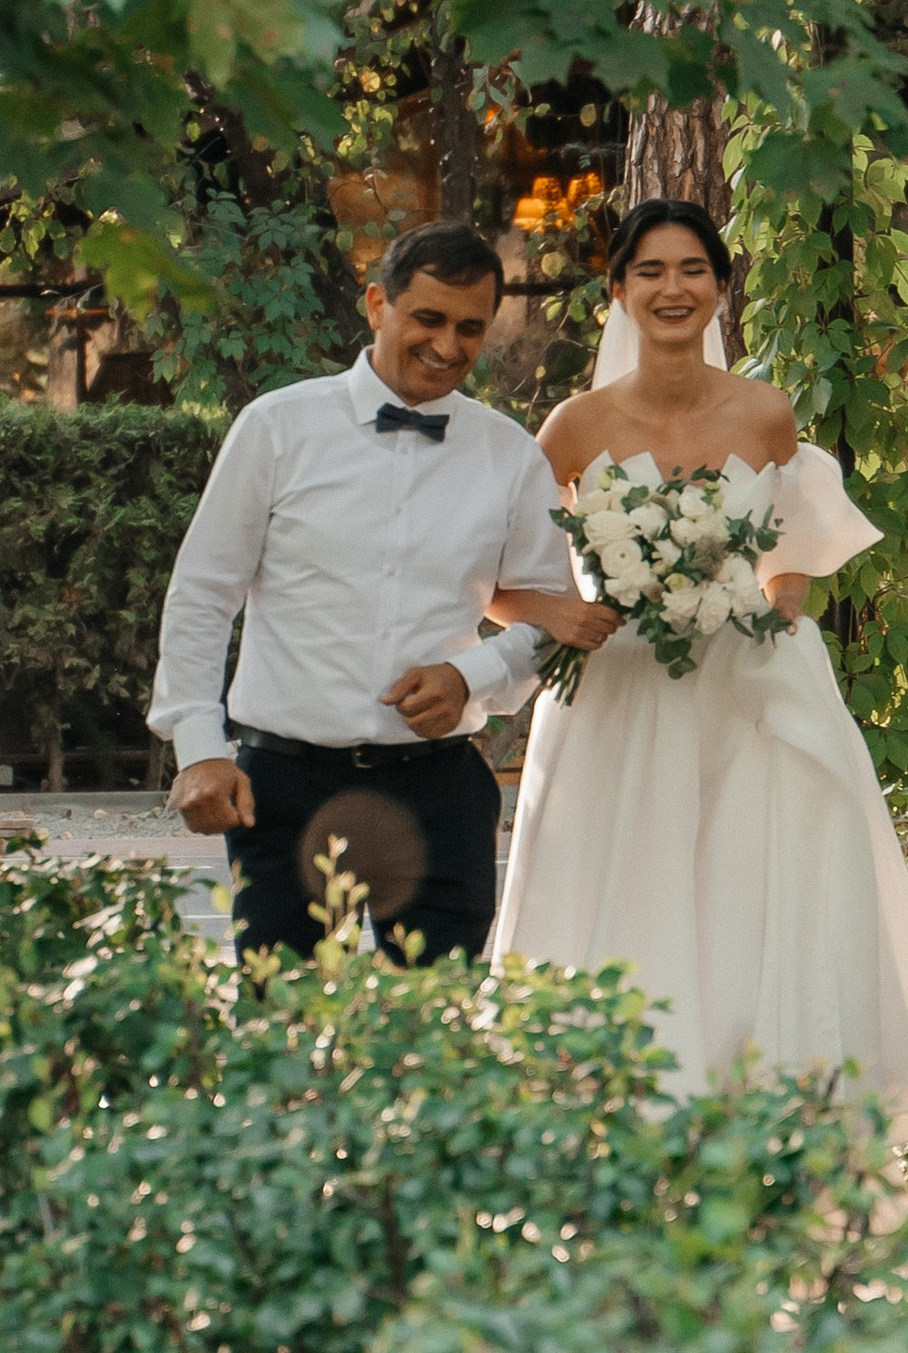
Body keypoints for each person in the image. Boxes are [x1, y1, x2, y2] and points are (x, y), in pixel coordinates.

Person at [484, 198, 908, 1148]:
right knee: (629, 900)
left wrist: (780, 601)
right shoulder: (572, 428)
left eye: (692, 270)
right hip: (620, 699)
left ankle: (765, 1124)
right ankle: (617, 1129)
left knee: (755, 894)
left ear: (720, 286)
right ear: (618, 291)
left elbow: (791, 550)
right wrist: (562, 615)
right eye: (649, 271)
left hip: (747, 687)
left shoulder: (766, 413)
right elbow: (497, 582)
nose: (671, 289)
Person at [150, 220, 609, 964]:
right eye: (428, 318)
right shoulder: (277, 428)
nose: (448, 345)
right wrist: (199, 749)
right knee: (283, 1016)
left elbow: (554, 618)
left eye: (470, 328)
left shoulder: (510, 455)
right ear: (375, 305)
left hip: (440, 791)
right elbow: (203, 593)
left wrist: (471, 676)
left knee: (438, 1020)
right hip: (286, 788)